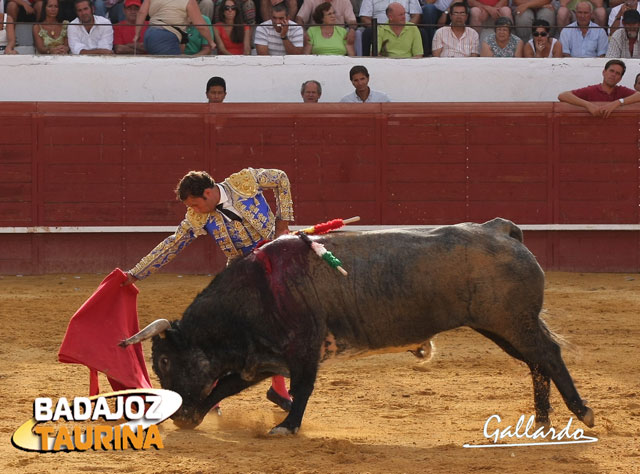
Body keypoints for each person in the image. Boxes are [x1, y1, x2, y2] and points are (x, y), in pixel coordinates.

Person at [122, 168, 295, 411]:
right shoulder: (198, 218)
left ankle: (275, 388)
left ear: (208, 193)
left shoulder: (243, 182)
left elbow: (281, 178)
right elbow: (172, 244)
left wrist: (282, 223)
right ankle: (226, 393)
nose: (193, 210)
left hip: (277, 260)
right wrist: (136, 273)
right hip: (241, 271)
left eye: (195, 204)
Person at [558, 59, 640, 118]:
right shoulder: (591, 90)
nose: (613, 75)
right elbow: (563, 96)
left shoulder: (622, 91)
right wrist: (588, 105)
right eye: (611, 71)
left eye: (617, 73)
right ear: (604, 72)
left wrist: (617, 103)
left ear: (620, 78)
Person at [135, 0, 216, 55]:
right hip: (165, 37)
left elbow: (141, 12)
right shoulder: (189, 1)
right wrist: (211, 42)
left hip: (149, 34)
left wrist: (137, 34)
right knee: (172, 72)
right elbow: (201, 26)